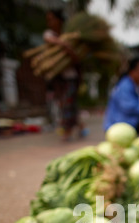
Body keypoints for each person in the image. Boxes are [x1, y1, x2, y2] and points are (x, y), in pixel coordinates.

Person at [43, 9, 88, 141]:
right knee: (65, 104)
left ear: (59, 20)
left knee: (69, 103)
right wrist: (64, 44)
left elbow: (77, 59)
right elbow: (48, 39)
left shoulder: (70, 35)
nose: (50, 22)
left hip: (71, 78)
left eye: (52, 19)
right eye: (48, 20)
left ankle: (69, 131)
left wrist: (70, 51)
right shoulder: (52, 35)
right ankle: (78, 127)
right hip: (57, 77)